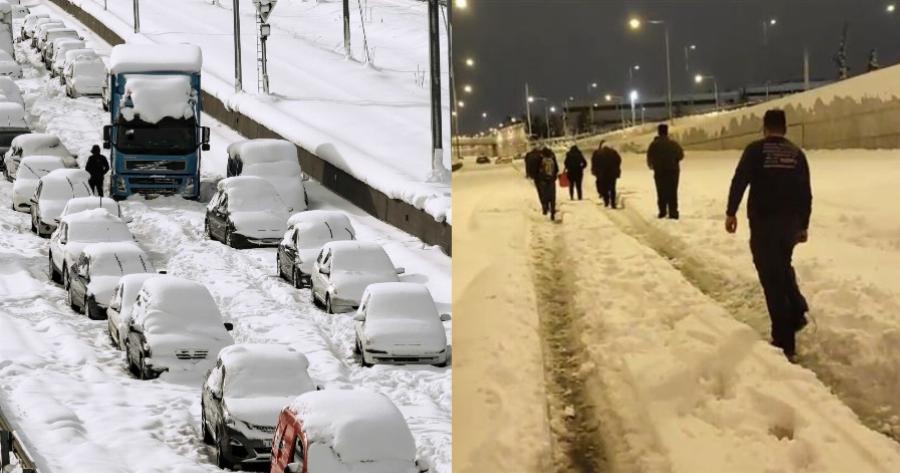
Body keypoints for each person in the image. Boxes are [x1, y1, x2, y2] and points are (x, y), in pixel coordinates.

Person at [725, 109, 811, 362]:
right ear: (784, 128)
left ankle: (784, 339)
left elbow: (739, 181)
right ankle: (796, 310)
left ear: (764, 128)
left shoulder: (755, 150)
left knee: (771, 277)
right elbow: (805, 192)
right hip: (789, 225)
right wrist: (803, 225)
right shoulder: (796, 154)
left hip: (764, 223)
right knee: (782, 266)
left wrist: (731, 212)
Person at [646, 124, 684, 219]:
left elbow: (649, 158)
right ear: (667, 132)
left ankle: (662, 212)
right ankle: (673, 212)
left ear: (659, 132)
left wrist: (653, 165)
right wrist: (674, 161)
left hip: (660, 172)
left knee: (661, 192)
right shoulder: (673, 144)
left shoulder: (653, 145)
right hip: (673, 172)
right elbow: (681, 155)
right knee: (672, 192)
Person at [592, 142, 622, 208]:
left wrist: (595, 171)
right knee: (613, 188)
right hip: (612, 173)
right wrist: (616, 169)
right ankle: (613, 203)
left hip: (602, 174)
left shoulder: (598, 153)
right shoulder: (614, 153)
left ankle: (606, 201)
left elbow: (595, 163)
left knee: (604, 188)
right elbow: (619, 160)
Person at [536, 147, 559, 221]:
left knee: (545, 195)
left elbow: (538, 170)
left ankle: (545, 208)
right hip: (552, 181)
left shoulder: (541, 160)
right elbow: (556, 169)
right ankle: (552, 212)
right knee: (552, 197)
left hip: (544, 181)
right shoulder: (552, 159)